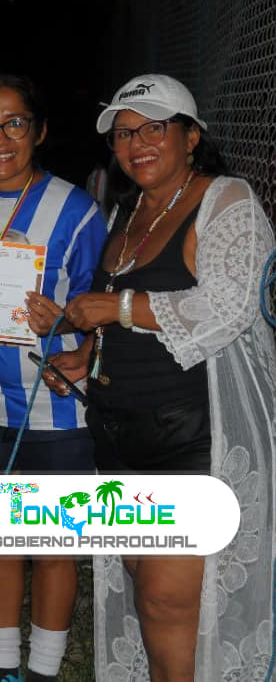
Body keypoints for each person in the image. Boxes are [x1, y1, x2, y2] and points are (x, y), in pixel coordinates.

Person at [50, 74, 276, 681]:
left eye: (154, 128)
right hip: (118, 438)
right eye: (124, 134)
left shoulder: (225, 200)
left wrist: (115, 307)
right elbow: (131, 322)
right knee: (143, 591)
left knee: (165, 602)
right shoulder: (129, 211)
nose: (137, 143)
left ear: (191, 136)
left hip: (190, 438)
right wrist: (86, 356)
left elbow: (230, 306)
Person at [0, 74, 107, 682]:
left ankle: (43, 670)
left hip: (54, 409)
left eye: (14, 123)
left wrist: (67, 323)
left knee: (53, 545)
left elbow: (99, 309)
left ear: (39, 131)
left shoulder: (77, 210)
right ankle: (3, 665)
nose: (0, 137)